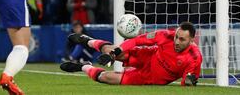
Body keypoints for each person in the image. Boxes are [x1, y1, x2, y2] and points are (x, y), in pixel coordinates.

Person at [60, 21, 202, 86]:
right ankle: (88, 41)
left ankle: (84, 67)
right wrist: (116, 52)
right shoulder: (166, 36)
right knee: (113, 51)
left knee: (106, 78)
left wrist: (189, 81)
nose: (176, 41)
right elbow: (137, 40)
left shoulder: (194, 58)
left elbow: (187, 84)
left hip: (150, 78)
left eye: (181, 39)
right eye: (177, 36)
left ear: (191, 40)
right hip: (149, 57)